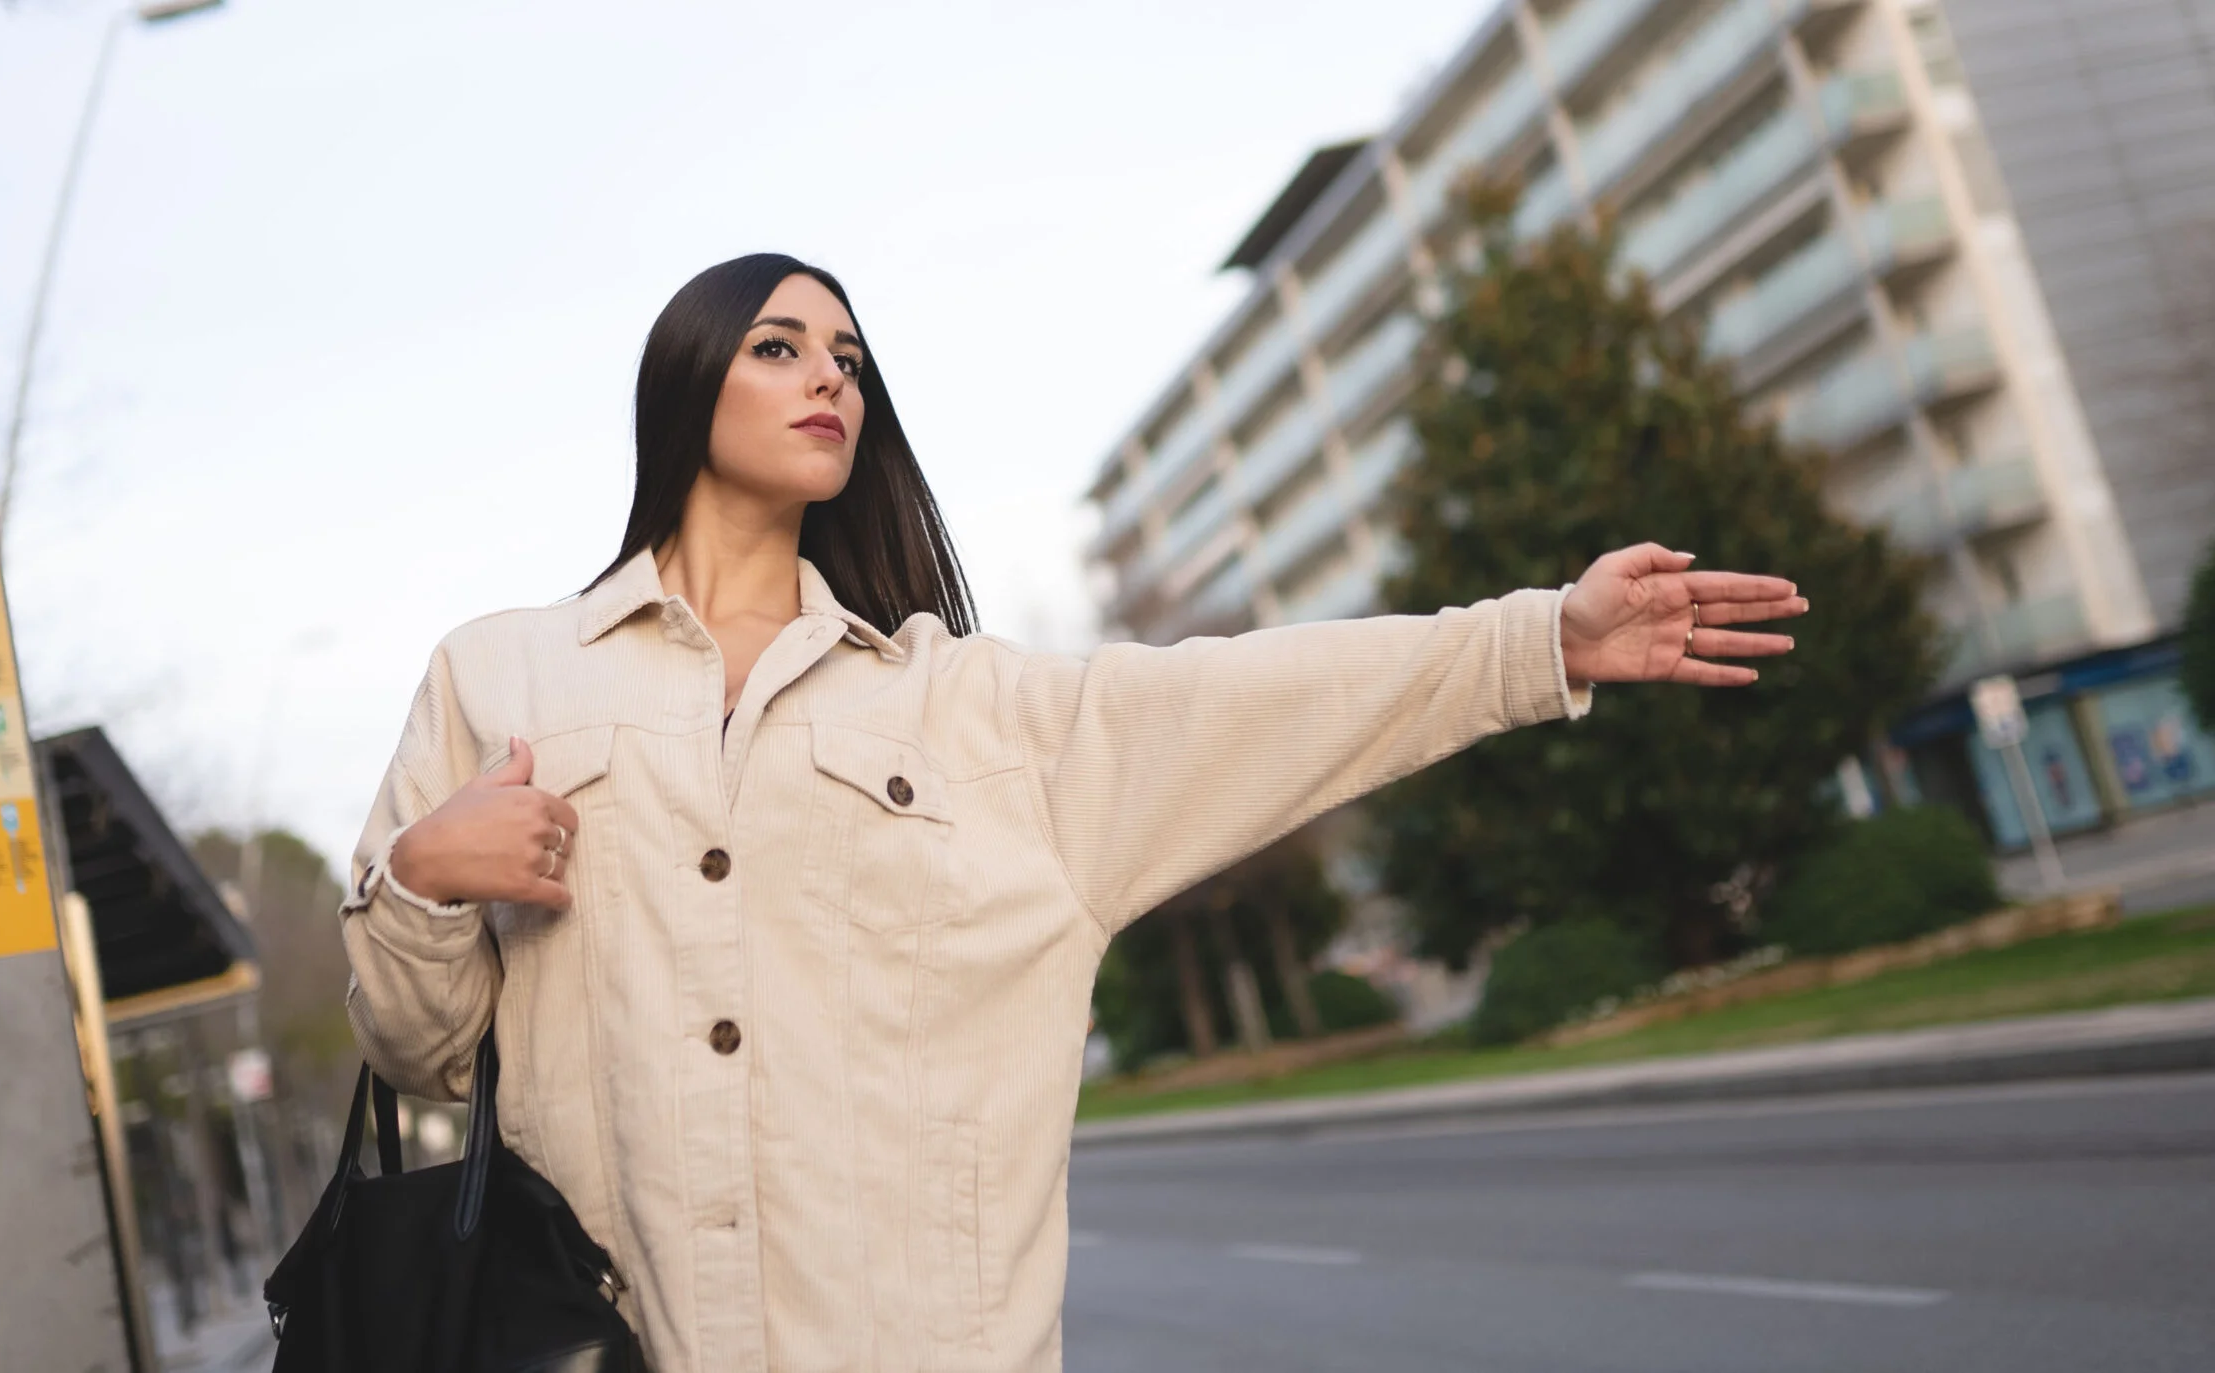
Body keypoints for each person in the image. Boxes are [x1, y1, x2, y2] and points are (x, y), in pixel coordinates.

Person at [340, 253, 1805, 1371]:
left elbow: (1256, 698)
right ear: (685, 382)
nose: (829, 379)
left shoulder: (973, 713)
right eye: (780, 347)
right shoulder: (501, 674)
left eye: (849, 358)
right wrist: (422, 879)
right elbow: (416, 1046)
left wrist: (1540, 640)